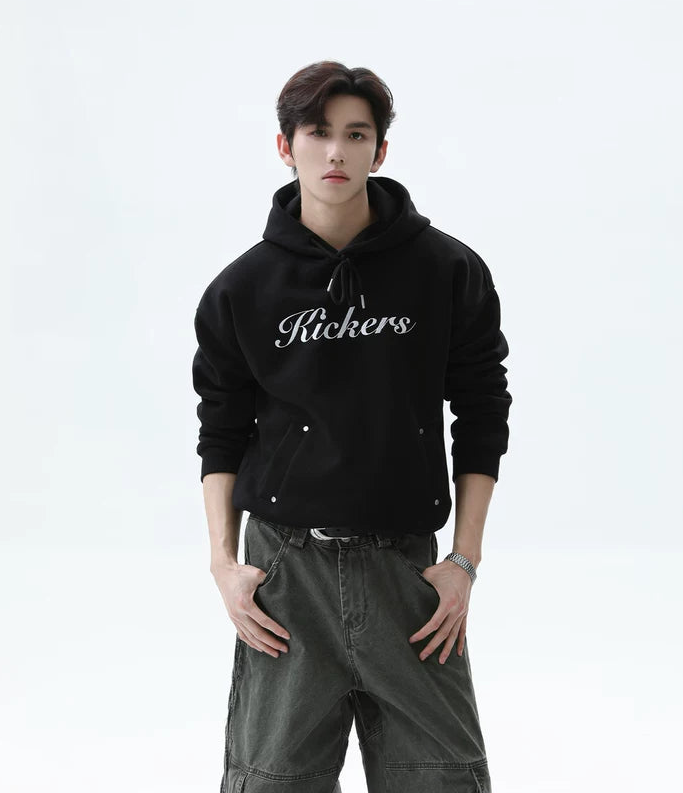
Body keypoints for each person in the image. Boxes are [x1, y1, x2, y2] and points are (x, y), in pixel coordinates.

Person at [192, 60, 512, 793]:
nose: (336, 151)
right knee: (272, 783)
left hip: (407, 575)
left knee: (443, 781)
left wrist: (463, 561)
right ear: (286, 146)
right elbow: (221, 429)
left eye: (356, 134)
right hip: (286, 577)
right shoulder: (241, 289)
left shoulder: (446, 270)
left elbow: (482, 410)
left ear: (380, 150)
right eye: (317, 132)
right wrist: (223, 564)